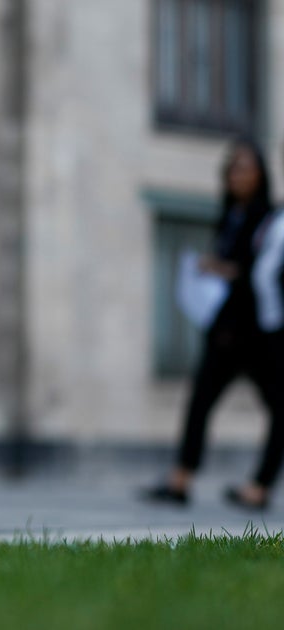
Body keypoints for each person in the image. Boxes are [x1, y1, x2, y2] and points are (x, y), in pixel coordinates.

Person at [143, 138, 284, 510]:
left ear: (261, 175)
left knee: (280, 408)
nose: (237, 174)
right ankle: (181, 479)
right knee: (200, 401)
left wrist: (222, 270)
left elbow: (263, 275)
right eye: (232, 167)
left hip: (261, 333)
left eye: (245, 167)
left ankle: (260, 486)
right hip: (224, 330)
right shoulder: (228, 217)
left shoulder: (270, 221)